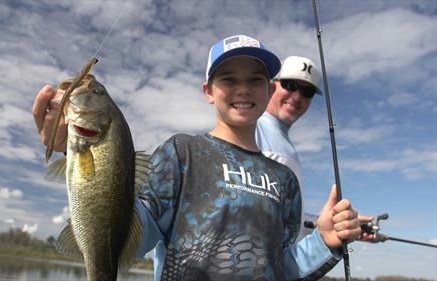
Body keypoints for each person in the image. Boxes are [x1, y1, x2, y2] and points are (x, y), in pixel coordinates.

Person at [33, 35, 361, 281]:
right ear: (208, 90)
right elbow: (129, 233)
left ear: (269, 90)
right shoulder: (182, 153)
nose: (242, 89)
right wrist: (72, 152)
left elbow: (284, 266)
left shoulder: (284, 179)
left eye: (255, 80)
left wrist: (325, 239)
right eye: (228, 79)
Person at [256, 55, 375, 279]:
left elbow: (284, 216)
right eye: (290, 85)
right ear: (272, 87)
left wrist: (345, 225)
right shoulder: (253, 128)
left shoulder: (285, 144)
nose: (297, 96)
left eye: (307, 92)